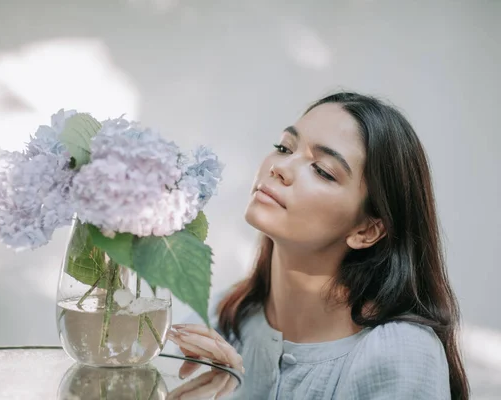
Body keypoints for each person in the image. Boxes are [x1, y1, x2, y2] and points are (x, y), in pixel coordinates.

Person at [166, 92, 470, 400]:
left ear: (367, 230)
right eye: (284, 148)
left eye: (322, 170)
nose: (280, 168)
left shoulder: (400, 354)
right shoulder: (223, 318)